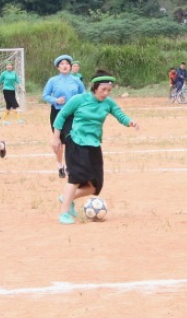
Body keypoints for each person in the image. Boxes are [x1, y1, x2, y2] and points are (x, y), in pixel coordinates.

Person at [52, 70, 140, 224]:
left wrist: (130, 122)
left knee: (95, 186)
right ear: (94, 88)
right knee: (76, 177)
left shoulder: (108, 103)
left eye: (109, 90)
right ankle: (64, 213)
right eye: (103, 90)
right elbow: (62, 115)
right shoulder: (79, 99)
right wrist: (55, 138)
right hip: (76, 142)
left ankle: (67, 197)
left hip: (93, 144)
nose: (106, 93)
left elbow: (120, 115)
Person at [42, 55, 85, 179]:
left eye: (67, 63)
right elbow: (45, 95)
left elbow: (84, 95)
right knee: (59, 141)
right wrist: (56, 100)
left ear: (70, 66)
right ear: (58, 67)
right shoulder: (53, 80)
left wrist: (79, 105)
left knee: (71, 140)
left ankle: (69, 166)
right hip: (57, 113)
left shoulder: (77, 80)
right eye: (62, 64)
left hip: (72, 115)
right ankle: (60, 165)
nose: (65, 66)